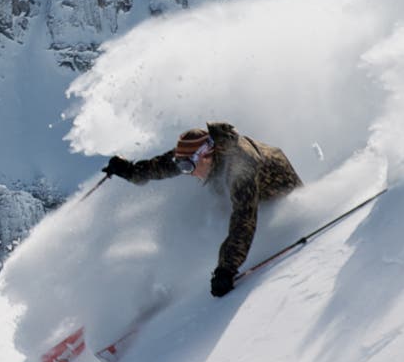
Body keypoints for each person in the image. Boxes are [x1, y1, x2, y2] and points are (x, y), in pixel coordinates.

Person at [103, 123, 303, 296]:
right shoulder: (200, 151)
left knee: (232, 215)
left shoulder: (241, 166)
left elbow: (244, 219)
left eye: (188, 168)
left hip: (278, 196)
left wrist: (226, 268)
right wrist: (131, 172)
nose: (186, 173)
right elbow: (165, 165)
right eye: (182, 167)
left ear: (205, 156)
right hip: (239, 195)